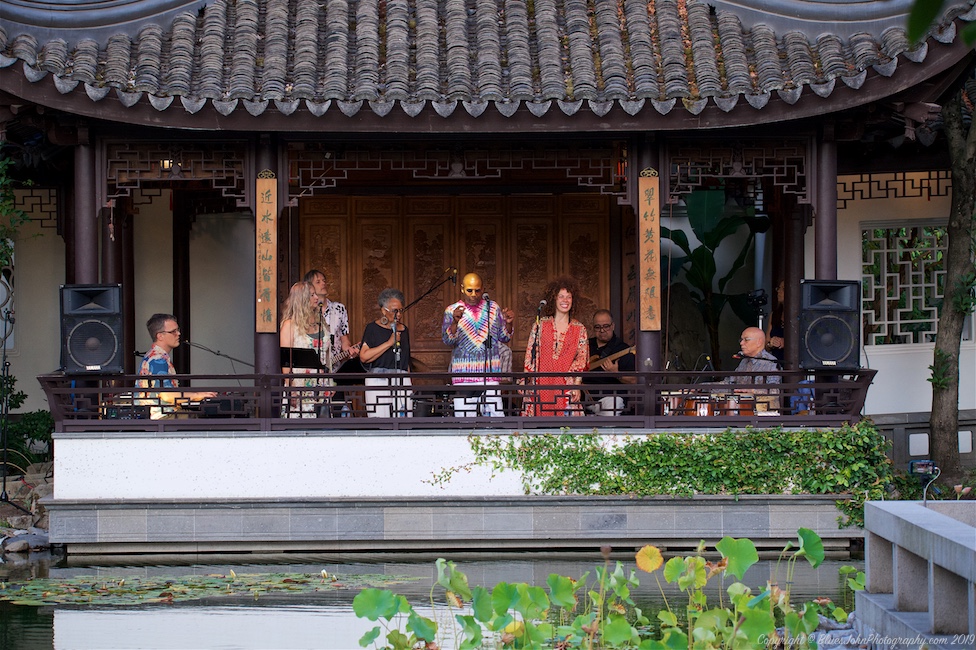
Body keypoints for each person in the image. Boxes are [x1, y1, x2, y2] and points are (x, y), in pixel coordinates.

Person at [442, 272, 515, 416]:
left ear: (483, 289)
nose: (474, 294)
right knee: (465, 420)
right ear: (462, 289)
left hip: (490, 373)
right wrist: (455, 322)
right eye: (469, 290)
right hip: (463, 373)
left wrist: (509, 324)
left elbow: (504, 337)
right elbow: (447, 340)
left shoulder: (493, 308)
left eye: (477, 290)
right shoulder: (452, 310)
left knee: (495, 419)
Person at [522, 276, 589, 416]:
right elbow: (530, 355)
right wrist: (526, 380)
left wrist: (576, 385)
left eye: (568, 297)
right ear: (554, 299)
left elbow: (582, 360)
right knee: (537, 429)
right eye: (561, 297)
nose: (565, 300)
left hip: (566, 384)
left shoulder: (579, 328)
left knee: (566, 431)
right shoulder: (540, 325)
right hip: (541, 382)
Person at [137, 313, 216, 420]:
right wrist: (197, 395)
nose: (178, 333)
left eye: (177, 330)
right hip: (161, 417)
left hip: (159, 414)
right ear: (160, 336)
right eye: (173, 331)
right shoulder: (158, 359)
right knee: (206, 421)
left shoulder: (154, 356)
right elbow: (167, 395)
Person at [359, 287, 412, 418]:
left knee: (404, 419)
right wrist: (389, 343)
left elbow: (406, 361)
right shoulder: (372, 328)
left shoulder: (404, 330)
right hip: (377, 380)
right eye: (395, 311)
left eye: (401, 310)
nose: (398, 315)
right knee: (380, 421)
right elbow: (364, 356)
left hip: (401, 379)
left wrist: (409, 382)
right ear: (384, 310)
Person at [280, 281, 328, 418]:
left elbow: (327, 357)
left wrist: (331, 382)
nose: (316, 298)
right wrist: (292, 389)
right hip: (300, 385)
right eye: (311, 295)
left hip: (321, 385)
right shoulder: (290, 325)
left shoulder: (320, 323)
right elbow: (286, 361)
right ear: (302, 299)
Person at [303, 269, 360, 371]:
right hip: (309, 369)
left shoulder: (339, 309)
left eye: (324, 280)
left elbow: (344, 340)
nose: (323, 283)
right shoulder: (304, 312)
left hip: (334, 369)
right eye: (318, 282)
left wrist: (349, 350)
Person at [583, 310, 636, 416]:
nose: (602, 330)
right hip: (584, 397)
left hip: (610, 398)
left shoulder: (623, 349)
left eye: (606, 326)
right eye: (597, 327)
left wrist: (616, 374)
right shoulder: (586, 345)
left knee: (611, 411)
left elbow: (634, 380)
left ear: (613, 326)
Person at [722, 326, 781, 411]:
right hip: (743, 411)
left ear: (759, 342)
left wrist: (752, 391)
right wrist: (704, 387)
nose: (741, 343)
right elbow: (730, 383)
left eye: (746, 340)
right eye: (741, 340)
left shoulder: (771, 363)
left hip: (763, 413)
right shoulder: (744, 361)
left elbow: (774, 392)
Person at [765, 280, 785, 363]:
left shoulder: (800, 314)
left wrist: (785, 342)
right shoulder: (774, 315)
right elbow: (766, 345)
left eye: (783, 289)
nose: (779, 291)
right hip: (775, 362)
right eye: (778, 288)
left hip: (793, 362)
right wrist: (771, 343)